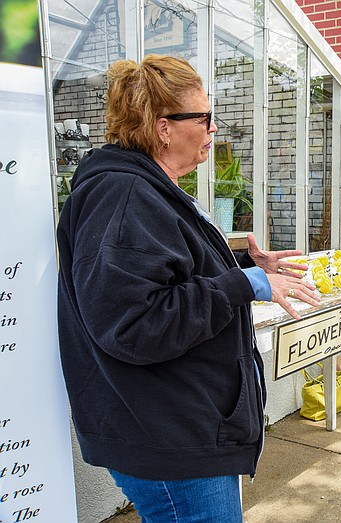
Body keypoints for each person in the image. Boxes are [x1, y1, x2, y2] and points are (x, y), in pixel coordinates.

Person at [57, 55, 319, 522]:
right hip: (171, 439)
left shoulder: (146, 188)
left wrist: (243, 264)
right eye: (204, 118)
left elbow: (165, 273)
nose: (213, 129)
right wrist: (241, 285)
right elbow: (133, 323)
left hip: (181, 428)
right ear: (163, 128)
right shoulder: (124, 195)